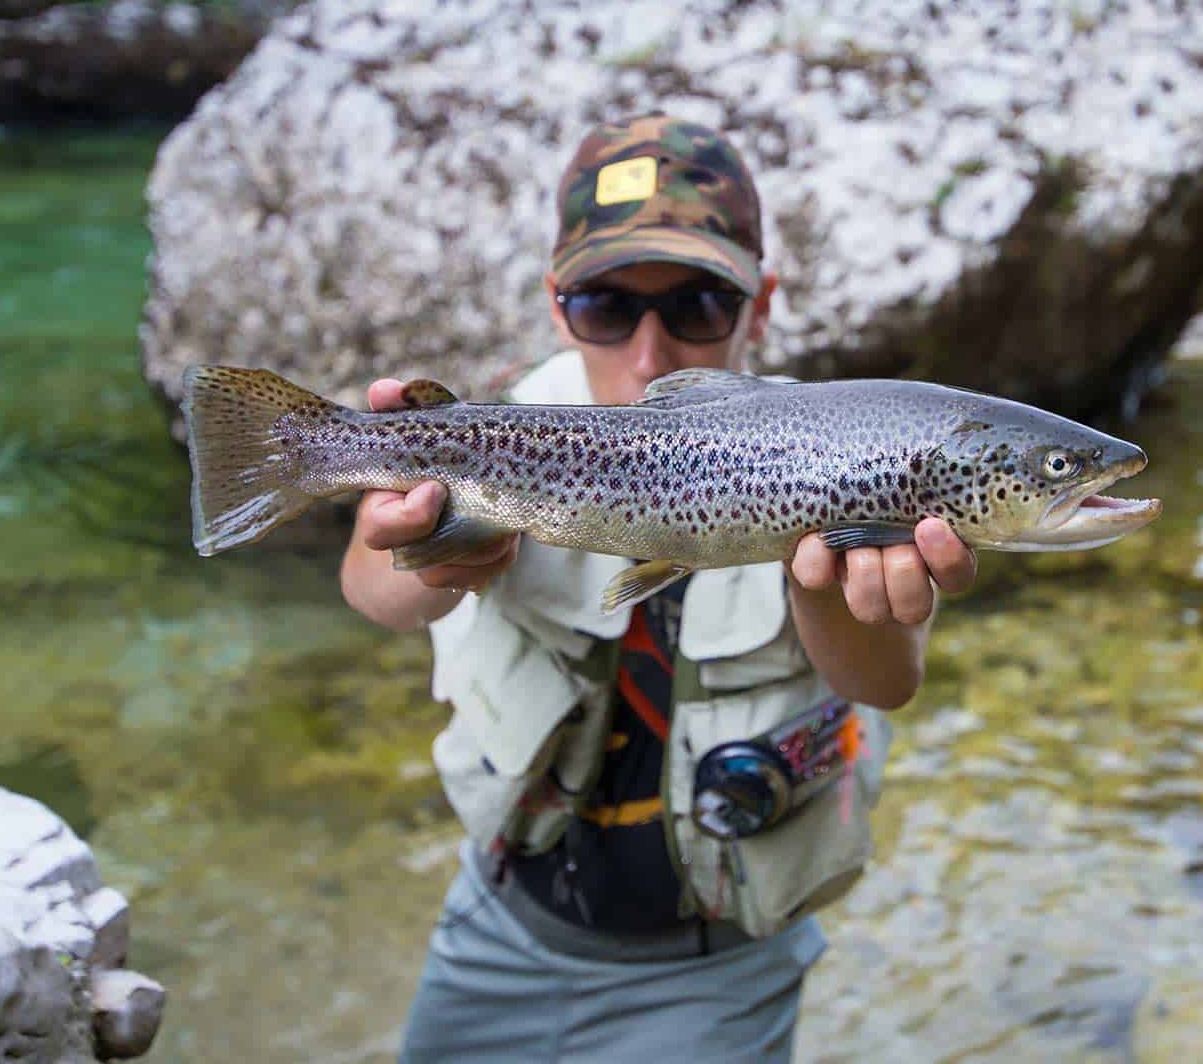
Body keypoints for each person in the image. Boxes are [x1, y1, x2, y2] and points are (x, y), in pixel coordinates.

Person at [339, 113, 977, 1061]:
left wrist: (828, 592)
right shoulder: (499, 437)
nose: (648, 355)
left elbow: (882, 686)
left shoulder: (845, 452)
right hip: (502, 927)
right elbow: (372, 592)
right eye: (606, 307)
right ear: (559, 305)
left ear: (759, 305)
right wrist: (415, 557)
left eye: (695, 308)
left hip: (722, 970)